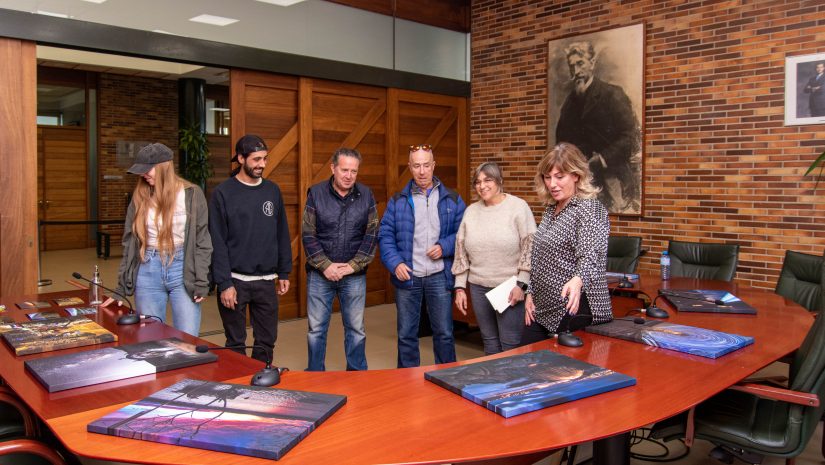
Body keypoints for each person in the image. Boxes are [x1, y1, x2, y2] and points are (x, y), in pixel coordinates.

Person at [110, 143, 212, 337]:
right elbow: (129, 243)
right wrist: (121, 287)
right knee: (149, 340)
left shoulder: (192, 194)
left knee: (187, 340)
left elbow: (202, 241)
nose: (143, 175)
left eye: (147, 170)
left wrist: (201, 281)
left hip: (182, 269)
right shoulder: (140, 196)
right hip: (148, 267)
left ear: (164, 167)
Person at [379, 144, 466, 368]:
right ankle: (407, 382)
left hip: (439, 275)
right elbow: (385, 235)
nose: (422, 171)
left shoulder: (452, 199)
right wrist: (395, 263)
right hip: (409, 276)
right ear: (409, 167)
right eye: (416, 166)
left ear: (433, 166)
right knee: (407, 334)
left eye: (426, 165)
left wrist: (445, 246)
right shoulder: (397, 201)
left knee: (444, 333)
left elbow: (464, 233)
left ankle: (448, 376)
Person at [209, 134, 292, 364]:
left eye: (264, 159)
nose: (262, 165)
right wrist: (224, 283)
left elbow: (281, 233)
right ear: (240, 158)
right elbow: (217, 242)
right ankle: (237, 388)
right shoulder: (222, 193)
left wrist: (284, 272)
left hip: (266, 280)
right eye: (256, 159)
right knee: (235, 342)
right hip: (235, 281)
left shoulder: (272, 191)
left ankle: (260, 385)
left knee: (266, 341)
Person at [522, 143, 612, 345]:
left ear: (576, 175)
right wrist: (530, 293)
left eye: (559, 176)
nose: (552, 184)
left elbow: (591, 253)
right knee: (526, 363)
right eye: (547, 177)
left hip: (575, 308)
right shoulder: (550, 210)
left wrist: (579, 279)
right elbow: (539, 258)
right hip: (543, 307)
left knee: (564, 373)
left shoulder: (589, 209)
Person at [302, 147, 378, 371]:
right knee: (316, 330)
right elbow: (308, 234)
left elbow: (371, 234)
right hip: (319, 275)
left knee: (356, 329)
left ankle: (357, 375)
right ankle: (315, 374)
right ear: (333, 168)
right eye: (344, 170)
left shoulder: (366, 195)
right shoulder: (316, 194)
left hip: (353, 276)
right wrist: (326, 266)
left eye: (353, 171)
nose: (349, 175)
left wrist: (351, 267)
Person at [452, 162, 536, 355]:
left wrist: (522, 284)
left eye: (487, 180)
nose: (482, 186)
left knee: (510, 345)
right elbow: (461, 250)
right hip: (478, 287)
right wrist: (459, 287)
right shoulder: (471, 211)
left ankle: (513, 385)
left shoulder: (518, 207)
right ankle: (495, 384)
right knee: (489, 342)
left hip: (509, 288)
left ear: (499, 181)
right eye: (477, 182)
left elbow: (530, 247)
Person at [555, 41, 641, 213]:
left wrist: (602, 159)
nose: (576, 72)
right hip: (582, 181)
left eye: (580, 64)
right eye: (572, 67)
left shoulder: (612, 94)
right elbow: (561, 143)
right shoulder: (569, 103)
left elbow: (629, 137)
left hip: (614, 176)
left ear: (592, 63)